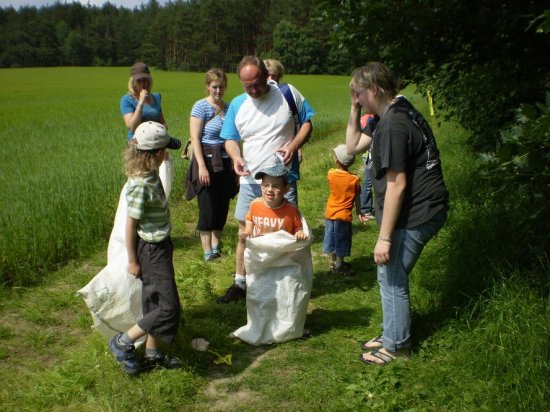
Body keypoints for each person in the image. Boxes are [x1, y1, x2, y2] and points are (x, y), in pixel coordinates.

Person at [346, 62, 449, 366]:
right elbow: (351, 147)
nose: (357, 98)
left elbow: (397, 184)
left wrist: (385, 238)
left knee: (391, 276)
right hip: (423, 207)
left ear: (374, 89)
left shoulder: (392, 124)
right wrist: (354, 109)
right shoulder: (392, 112)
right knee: (389, 274)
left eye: (359, 93)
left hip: (419, 211)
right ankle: (393, 332)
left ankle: (397, 346)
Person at [217, 55, 315, 304]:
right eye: (247, 85)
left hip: (284, 179)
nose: (253, 89)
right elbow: (230, 138)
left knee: (288, 231)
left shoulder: (288, 94)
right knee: (245, 232)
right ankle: (241, 282)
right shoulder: (238, 105)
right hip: (251, 180)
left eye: (257, 83)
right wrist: (236, 156)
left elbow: (307, 124)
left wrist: (293, 145)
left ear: (266, 76)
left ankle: (288, 281)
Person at [108, 121, 183, 375]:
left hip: (160, 245)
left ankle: (151, 354)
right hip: (151, 250)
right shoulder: (140, 185)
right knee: (168, 308)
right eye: (165, 150)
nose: (167, 154)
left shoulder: (150, 173)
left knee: (154, 301)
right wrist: (132, 260)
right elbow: (131, 224)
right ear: (156, 154)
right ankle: (123, 342)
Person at [185, 68, 238, 261]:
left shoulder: (229, 107)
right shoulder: (200, 107)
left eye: (221, 87)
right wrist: (201, 166)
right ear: (207, 86)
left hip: (225, 160)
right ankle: (207, 250)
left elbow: (233, 136)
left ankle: (216, 246)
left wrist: (236, 162)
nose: (218, 91)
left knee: (222, 204)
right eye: (215, 87)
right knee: (207, 205)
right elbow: (195, 138)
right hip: (206, 158)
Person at [120, 62, 174, 196]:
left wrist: (164, 144)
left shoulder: (156, 97)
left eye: (146, 79)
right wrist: (140, 103)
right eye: (139, 80)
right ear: (133, 82)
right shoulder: (127, 100)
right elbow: (131, 125)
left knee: (158, 182)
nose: (143, 83)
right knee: (140, 183)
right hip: (138, 149)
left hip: (157, 148)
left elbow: (163, 123)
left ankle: (157, 210)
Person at [323, 145, 368, 276]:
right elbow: (357, 197)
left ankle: (333, 262)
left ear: (337, 160)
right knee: (342, 239)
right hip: (344, 216)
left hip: (330, 213)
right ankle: (339, 264)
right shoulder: (354, 179)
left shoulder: (331, 174)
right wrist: (359, 212)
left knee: (331, 237)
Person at [264, 58, 304, 202]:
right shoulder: (254, 98)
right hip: (262, 162)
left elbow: (301, 124)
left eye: (273, 76)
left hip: (286, 160)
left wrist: (298, 148)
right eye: (266, 75)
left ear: (278, 76)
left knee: (289, 199)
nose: (270, 79)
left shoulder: (288, 95)